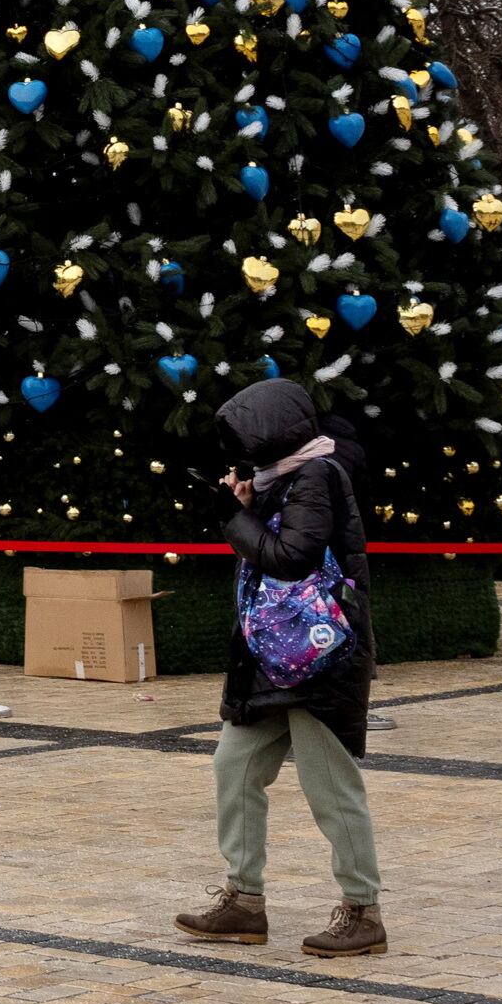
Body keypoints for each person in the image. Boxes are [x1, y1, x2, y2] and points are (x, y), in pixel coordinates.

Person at [181, 374, 389, 959]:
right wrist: (246, 506)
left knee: (328, 784)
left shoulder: (318, 474)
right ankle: (243, 901)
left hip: (322, 654)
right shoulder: (284, 479)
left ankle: (362, 908)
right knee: (235, 765)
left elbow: (290, 560)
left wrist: (234, 516)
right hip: (274, 654)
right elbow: (272, 547)